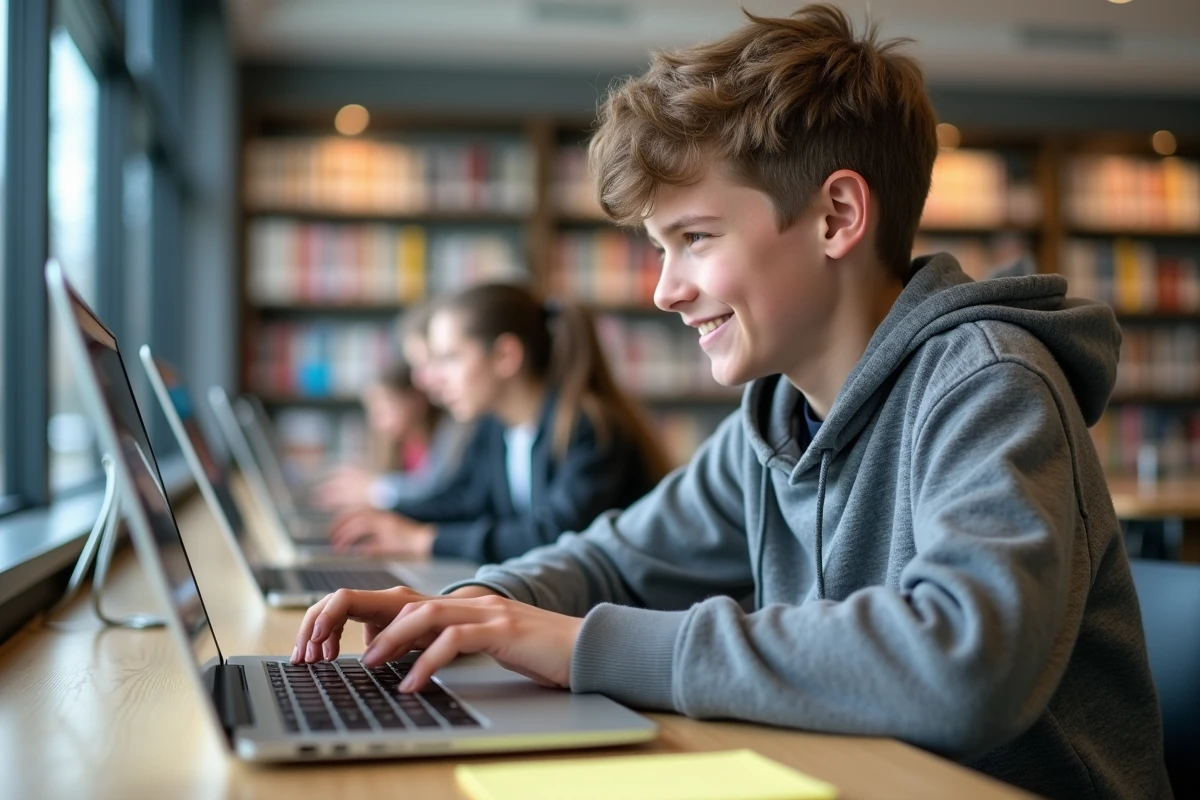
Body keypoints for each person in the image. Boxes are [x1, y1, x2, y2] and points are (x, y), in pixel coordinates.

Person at [292, 6, 1169, 797]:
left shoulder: (988, 384)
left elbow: (962, 666)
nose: (666, 291)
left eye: (696, 239)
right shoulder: (775, 421)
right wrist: (470, 606)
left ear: (836, 217)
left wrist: (580, 646)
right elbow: (616, 560)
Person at [325, 281, 671, 564]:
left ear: (506, 356)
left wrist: (423, 540)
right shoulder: (496, 427)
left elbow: (556, 537)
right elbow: (465, 502)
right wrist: (387, 515)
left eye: (449, 359)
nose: (431, 380)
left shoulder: (589, 427)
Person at [315, 302, 472, 511]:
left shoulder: (458, 429)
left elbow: (441, 494)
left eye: (445, 360)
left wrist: (375, 491)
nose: (424, 380)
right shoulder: (399, 446)